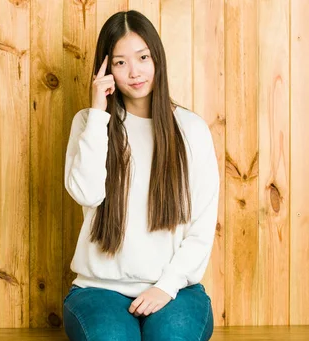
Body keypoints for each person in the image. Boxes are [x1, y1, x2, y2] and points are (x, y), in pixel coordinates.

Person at [63, 10, 219, 341]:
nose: (134, 72)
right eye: (120, 62)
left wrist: (166, 286)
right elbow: (87, 194)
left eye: (143, 57)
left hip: (175, 291)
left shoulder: (191, 130)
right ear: (105, 69)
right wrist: (97, 115)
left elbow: (201, 229)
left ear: (156, 59)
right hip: (99, 290)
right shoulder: (89, 123)